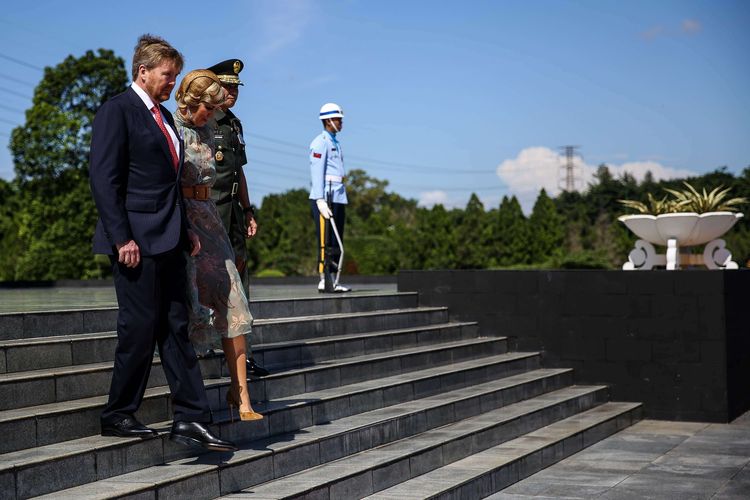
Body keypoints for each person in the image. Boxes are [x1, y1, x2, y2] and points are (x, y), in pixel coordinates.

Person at [89, 34, 236, 452]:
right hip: (134, 241)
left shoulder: (165, 119)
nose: (172, 83)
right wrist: (122, 237)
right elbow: (104, 180)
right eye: (167, 76)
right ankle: (117, 413)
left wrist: (185, 229)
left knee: (175, 328)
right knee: (138, 329)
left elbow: (170, 183)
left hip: (170, 238)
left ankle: (190, 418)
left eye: (174, 76)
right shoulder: (117, 111)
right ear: (144, 71)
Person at [172, 69, 263, 422]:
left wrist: (246, 209)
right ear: (191, 102)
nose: (211, 116)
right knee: (191, 306)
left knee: (233, 298)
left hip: (211, 217)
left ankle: (241, 395)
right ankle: (192, 399)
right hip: (183, 217)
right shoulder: (172, 129)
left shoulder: (211, 129)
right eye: (207, 109)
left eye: (214, 109)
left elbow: (234, 173)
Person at [205, 58, 268, 378]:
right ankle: (203, 345)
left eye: (235, 88)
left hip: (232, 214)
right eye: (227, 86)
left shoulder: (233, 124)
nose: (232, 92)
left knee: (241, 281)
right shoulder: (200, 120)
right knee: (206, 278)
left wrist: (248, 210)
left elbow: (238, 171)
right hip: (208, 211)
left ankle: (246, 355)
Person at [309, 103, 351, 292]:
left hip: (338, 196)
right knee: (325, 240)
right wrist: (319, 198)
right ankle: (323, 277)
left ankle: (334, 278)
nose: (341, 123)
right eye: (338, 120)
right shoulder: (321, 141)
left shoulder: (334, 141)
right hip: (325, 197)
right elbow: (316, 171)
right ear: (328, 121)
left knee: (336, 239)